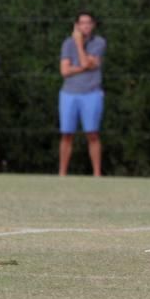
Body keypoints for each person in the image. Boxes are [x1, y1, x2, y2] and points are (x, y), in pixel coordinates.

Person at [58, 11, 107, 177]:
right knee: (66, 134)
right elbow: (64, 71)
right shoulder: (67, 43)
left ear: (93, 25)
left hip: (91, 93)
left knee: (92, 133)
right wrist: (84, 67)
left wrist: (79, 44)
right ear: (77, 25)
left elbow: (87, 61)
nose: (85, 26)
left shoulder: (99, 42)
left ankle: (97, 173)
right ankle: (62, 173)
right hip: (69, 93)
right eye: (82, 23)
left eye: (88, 23)